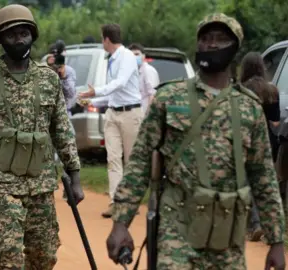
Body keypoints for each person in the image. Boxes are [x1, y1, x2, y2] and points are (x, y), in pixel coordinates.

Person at [106, 13, 286, 269]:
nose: (211, 45)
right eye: (206, 38)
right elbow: (139, 163)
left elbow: (264, 178)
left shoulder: (250, 109)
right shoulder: (169, 99)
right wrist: (120, 223)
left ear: (234, 48)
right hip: (176, 232)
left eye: (220, 39)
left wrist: (277, 241)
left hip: (227, 241)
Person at [0, 4, 84, 269]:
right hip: (2, 184)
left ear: (32, 36)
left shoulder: (48, 80)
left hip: (42, 184)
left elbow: (61, 130)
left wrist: (76, 176)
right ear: (0, 39)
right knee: (10, 258)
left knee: (43, 257)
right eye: (11, 35)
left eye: (24, 33)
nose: (18, 39)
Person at [78, 23, 142, 218]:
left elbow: (120, 83)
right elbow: (113, 93)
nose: (101, 42)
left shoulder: (128, 57)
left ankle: (131, 202)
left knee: (131, 160)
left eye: (101, 38)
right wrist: (92, 100)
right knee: (113, 158)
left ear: (106, 39)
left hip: (131, 113)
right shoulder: (112, 59)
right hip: (113, 113)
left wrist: (95, 91)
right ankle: (115, 202)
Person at [239, 52, 282, 242]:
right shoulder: (272, 90)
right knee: (266, 182)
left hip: (247, 139)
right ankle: (270, 226)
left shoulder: (241, 89)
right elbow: (275, 120)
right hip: (269, 141)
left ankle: (254, 224)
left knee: (248, 180)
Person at [128, 43, 160, 115]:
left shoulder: (148, 71)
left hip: (144, 114)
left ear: (143, 56)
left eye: (137, 54)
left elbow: (153, 95)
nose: (134, 57)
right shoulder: (132, 71)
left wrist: (147, 116)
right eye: (131, 55)